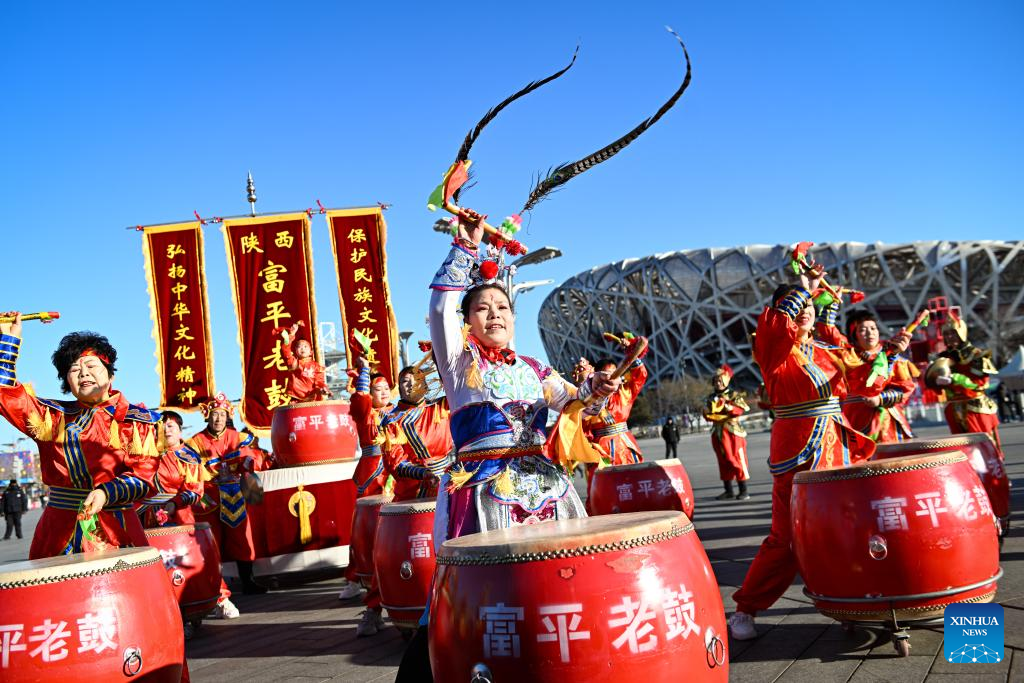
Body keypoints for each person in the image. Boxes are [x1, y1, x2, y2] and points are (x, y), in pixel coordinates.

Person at [727, 264, 875, 641]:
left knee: (845, 528)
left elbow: (859, 373)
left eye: (810, 302)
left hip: (835, 446)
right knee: (786, 537)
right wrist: (803, 289)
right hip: (797, 448)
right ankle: (747, 608)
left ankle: (852, 603)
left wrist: (881, 352)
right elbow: (777, 324)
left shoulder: (826, 351)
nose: (806, 307)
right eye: (797, 303)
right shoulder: (773, 348)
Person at [0, 314, 162, 558]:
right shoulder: (52, 417)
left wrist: (107, 492)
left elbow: (144, 477)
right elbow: (6, 394)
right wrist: (7, 341)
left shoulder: (135, 420)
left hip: (117, 527)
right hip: (57, 531)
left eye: (91, 366)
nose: (83, 373)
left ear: (110, 375)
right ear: (67, 381)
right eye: (74, 369)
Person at [188, 393, 268, 616]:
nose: (218, 419)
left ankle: (248, 581)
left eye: (222, 415)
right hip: (210, 497)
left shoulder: (237, 437)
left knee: (242, 538)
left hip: (234, 495)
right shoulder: (195, 442)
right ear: (207, 417)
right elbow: (192, 471)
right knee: (212, 543)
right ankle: (215, 587)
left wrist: (249, 461)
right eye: (214, 415)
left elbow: (251, 459)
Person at [933, 311, 1009, 533]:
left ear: (961, 333)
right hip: (954, 410)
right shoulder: (944, 357)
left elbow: (980, 383)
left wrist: (955, 378)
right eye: (946, 335)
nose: (949, 339)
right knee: (965, 460)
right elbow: (933, 381)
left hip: (976, 410)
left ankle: (1000, 506)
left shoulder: (976, 354)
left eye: (953, 334)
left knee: (988, 458)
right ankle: (979, 503)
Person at [827, 309, 915, 443]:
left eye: (873, 328)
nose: (870, 333)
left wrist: (880, 399)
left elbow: (905, 389)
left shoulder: (893, 356)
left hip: (888, 423)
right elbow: (829, 332)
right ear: (854, 335)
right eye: (862, 330)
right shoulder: (848, 358)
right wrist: (831, 307)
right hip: (854, 419)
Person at [381, 364, 451, 503]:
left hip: (449, 481)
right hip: (414, 490)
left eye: (417, 379)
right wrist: (423, 473)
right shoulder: (391, 421)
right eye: (405, 381)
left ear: (425, 385)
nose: (411, 384)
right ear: (399, 388)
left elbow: (456, 384)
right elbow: (395, 463)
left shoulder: (441, 406)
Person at [136, 411, 205, 528]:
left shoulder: (190, 458)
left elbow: (195, 491)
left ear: (180, 430)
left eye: (170, 426)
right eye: (161, 427)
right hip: (144, 514)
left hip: (176, 514)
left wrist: (175, 503)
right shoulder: (146, 453)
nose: (166, 430)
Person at [703, 365, 751, 500]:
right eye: (716, 381)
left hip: (732, 432)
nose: (718, 383)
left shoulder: (733, 395)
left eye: (720, 381)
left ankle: (743, 490)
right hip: (717, 432)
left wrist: (728, 406)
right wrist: (707, 413)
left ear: (725, 380)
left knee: (736, 459)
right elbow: (707, 413)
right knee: (723, 461)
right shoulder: (711, 397)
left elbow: (740, 409)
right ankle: (728, 490)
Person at [278, 322, 331, 403]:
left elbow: (319, 381)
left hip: (313, 399)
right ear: (295, 351)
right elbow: (285, 351)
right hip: (296, 399)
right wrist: (291, 335)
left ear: (311, 352)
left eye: (305, 346)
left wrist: (323, 388)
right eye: (299, 346)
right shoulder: (294, 363)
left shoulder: (316, 366)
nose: (302, 348)